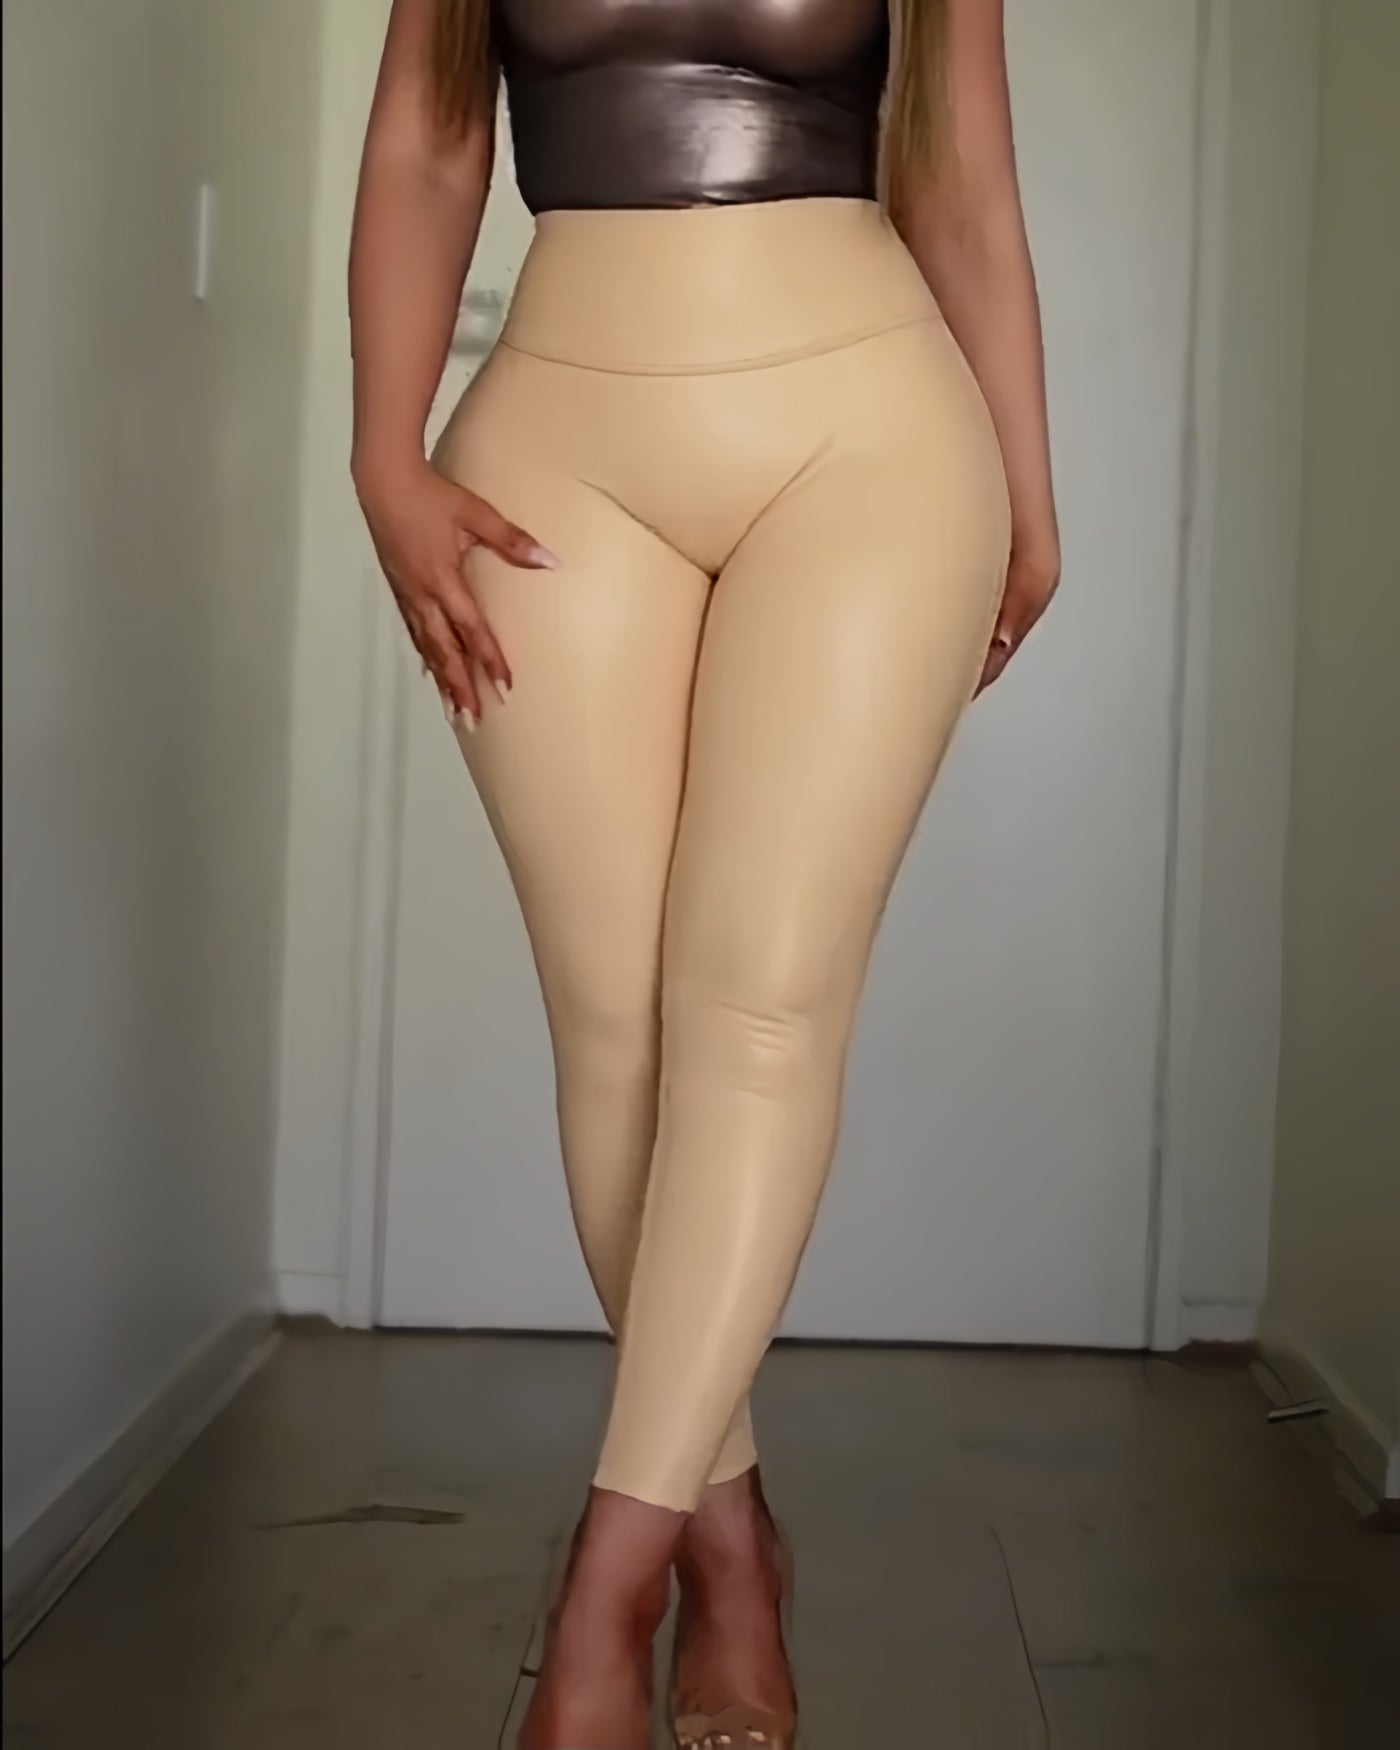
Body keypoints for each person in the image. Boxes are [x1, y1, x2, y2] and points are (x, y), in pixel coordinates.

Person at [349, 1, 1058, 1743]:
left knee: (756, 1005)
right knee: (615, 1025)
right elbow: (430, 143)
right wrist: (383, 450)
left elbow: (960, 181)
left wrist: (1030, 493)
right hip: (553, 450)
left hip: (867, 438)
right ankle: (728, 1540)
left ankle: (607, 1586)